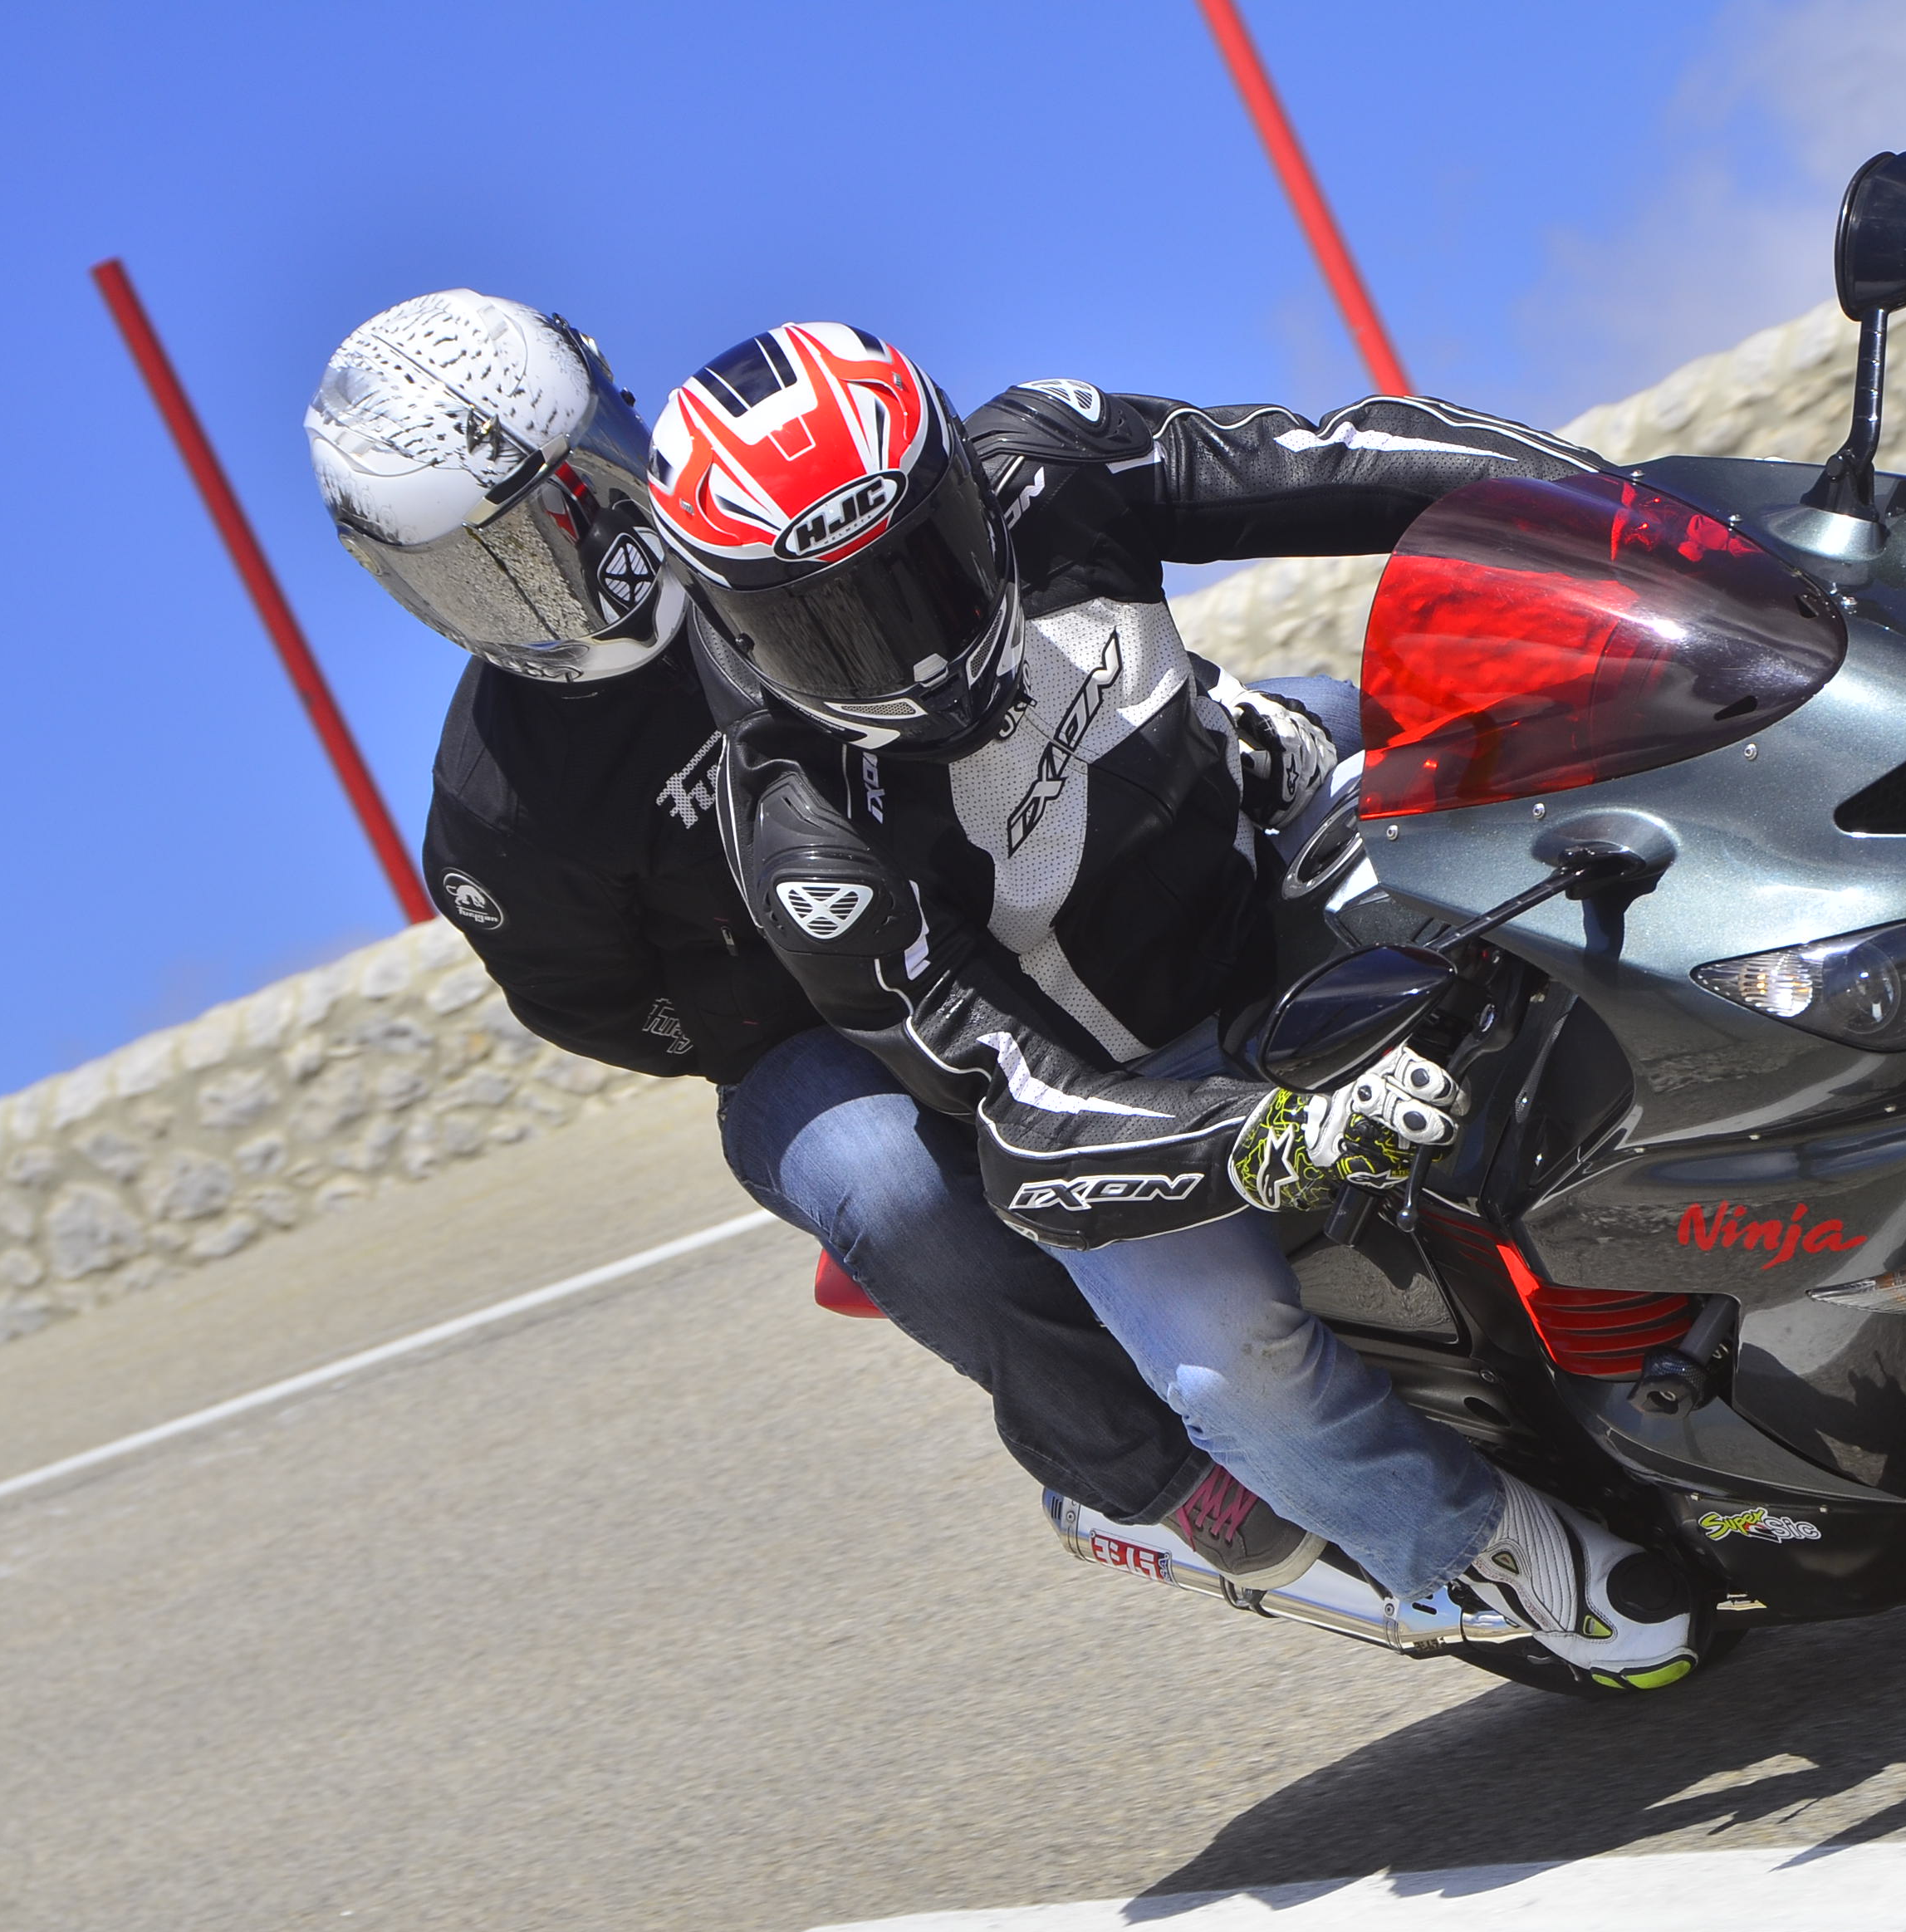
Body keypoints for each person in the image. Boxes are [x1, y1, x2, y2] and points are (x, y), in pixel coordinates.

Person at [647, 323, 1701, 1687]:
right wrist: (1252, 1140)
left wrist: (1604, 502)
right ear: (733, 616)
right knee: (1230, 1365)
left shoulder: (1048, 458)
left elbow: (1332, 457)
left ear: (961, 483)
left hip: (1282, 850)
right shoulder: (805, 839)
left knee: (1613, 848)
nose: (898, 653)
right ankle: (1479, 1552)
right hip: (1128, 1088)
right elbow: (1014, 1112)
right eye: (826, 621)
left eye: (912, 575)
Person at [301, 290, 1317, 1582]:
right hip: (802, 1028)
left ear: (623, 419)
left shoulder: (781, 516)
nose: (569, 566)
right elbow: (594, 1004)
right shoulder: (498, 812)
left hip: (1004, 855)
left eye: (582, 498)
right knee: (883, 1181)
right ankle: (1150, 1478)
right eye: (484, 566)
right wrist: (795, 995)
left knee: (1328, 718)